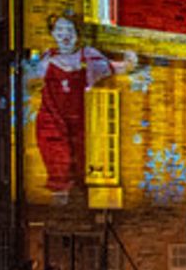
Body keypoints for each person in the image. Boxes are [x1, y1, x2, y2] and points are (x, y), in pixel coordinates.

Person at [28, 10, 135, 199]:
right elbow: (28, 79)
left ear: (77, 33)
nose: (65, 35)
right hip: (51, 121)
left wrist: (129, 62)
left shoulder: (88, 56)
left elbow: (112, 68)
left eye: (69, 29)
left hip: (77, 124)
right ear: (52, 33)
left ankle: (70, 210)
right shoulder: (46, 59)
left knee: (77, 167)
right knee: (59, 167)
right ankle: (60, 204)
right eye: (59, 29)